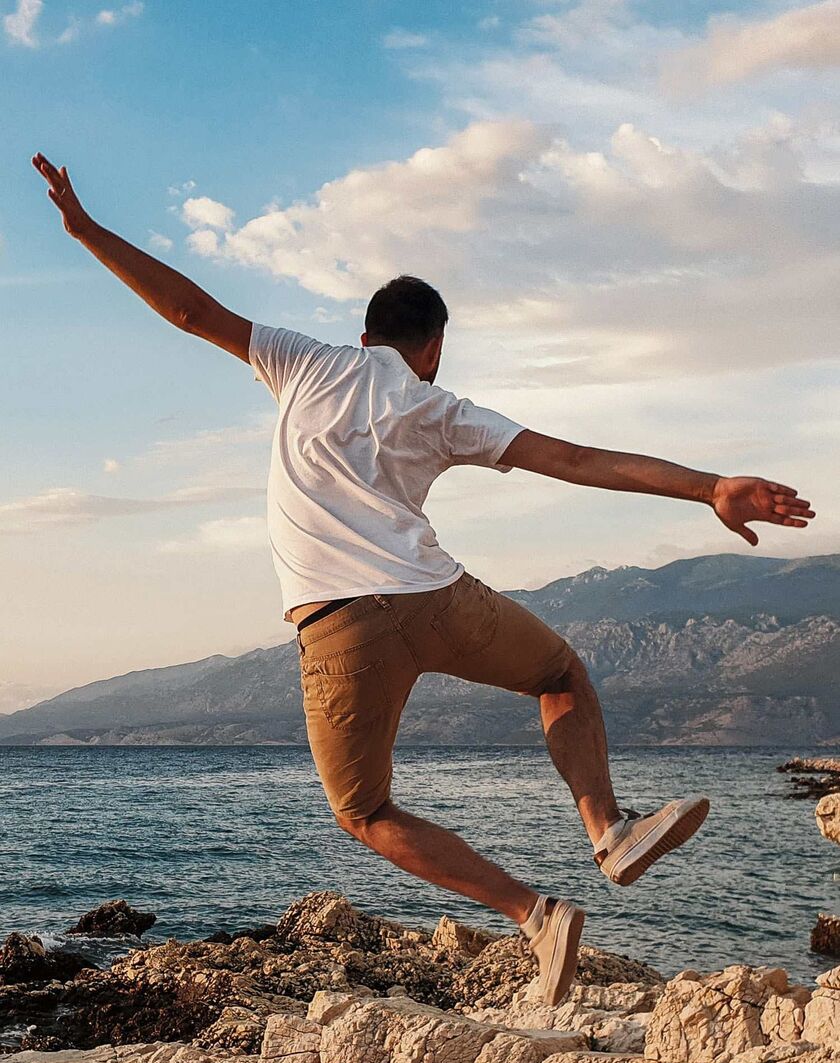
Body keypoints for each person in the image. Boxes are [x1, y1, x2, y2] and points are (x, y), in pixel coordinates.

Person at [32, 154, 815, 1004]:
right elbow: (576, 459)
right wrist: (708, 486)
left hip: (337, 626)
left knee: (364, 810)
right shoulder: (442, 407)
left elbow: (189, 309)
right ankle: (609, 831)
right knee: (559, 674)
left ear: (364, 333)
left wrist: (88, 231)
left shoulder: (304, 362)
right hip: (434, 596)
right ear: (432, 347)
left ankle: (534, 913)